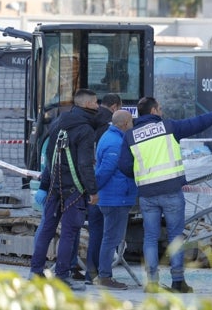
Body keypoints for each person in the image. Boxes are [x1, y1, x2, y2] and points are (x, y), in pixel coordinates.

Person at [118, 96, 212, 293]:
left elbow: (123, 165)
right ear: (154, 111)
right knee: (175, 236)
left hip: (147, 193)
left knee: (150, 237)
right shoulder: (169, 127)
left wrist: (142, 174)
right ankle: (177, 282)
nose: (162, 111)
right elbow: (199, 122)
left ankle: (152, 282)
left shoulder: (130, 136)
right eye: (160, 108)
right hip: (171, 191)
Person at [30, 88, 100, 291]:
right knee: (69, 233)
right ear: (87, 105)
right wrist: (93, 191)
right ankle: (61, 276)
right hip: (74, 191)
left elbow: (49, 157)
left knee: (46, 230)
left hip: (54, 188)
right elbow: (85, 164)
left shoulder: (58, 122)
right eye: (95, 103)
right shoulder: (86, 129)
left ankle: (36, 272)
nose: (97, 106)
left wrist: (45, 185)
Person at [93, 109, 136, 290]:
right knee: (111, 238)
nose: (133, 125)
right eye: (131, 122)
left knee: (110, 237)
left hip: (114, 197)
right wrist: (95, 189)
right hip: (115, 198)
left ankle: (104, 275)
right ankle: (105, 276)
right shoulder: (116, 143)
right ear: (125, 123)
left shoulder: (109, 137)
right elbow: (105, 171)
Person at [85, 93, 123, 283]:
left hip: (90, 185)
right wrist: (94, 189)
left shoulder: (89, 120)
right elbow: (108, 167)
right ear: (115, 107)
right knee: (108, 235)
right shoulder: (112, 129)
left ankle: (90, 274)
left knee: (96, 232)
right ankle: (101, 275)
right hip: (104, 191)